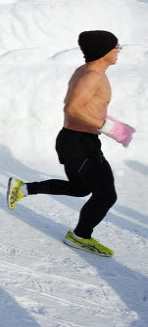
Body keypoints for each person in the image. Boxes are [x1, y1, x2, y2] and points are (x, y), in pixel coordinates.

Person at [7, 31, 135, 257]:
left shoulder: (88, 72)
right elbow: (72, 108)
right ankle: (80, 237)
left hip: (77, 140)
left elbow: (87, 107)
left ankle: (24, 188)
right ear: (103, 50)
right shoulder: (92, 75)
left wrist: (114, 126)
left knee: (80, 188)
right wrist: (109, 128)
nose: (119, 51)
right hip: (79, 143)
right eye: (116, 46)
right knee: (106, 195)